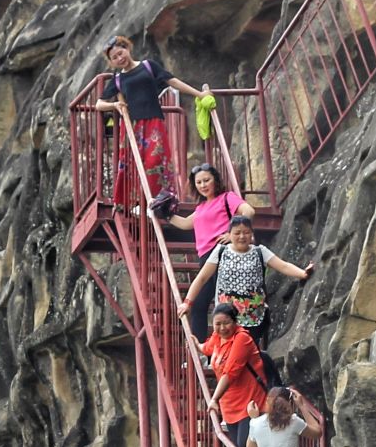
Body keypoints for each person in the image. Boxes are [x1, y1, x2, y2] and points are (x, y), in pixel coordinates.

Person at [94, 34, 206, 214]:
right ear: (112, 62)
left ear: (127, 48)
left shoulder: (148, 66)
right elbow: (99, 104)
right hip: (132, 126)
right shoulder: (117, 79)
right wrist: (114, 105)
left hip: (154, 121)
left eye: (120, 53)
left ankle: (158, 202)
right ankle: (129, 203)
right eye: (114, 58)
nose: (119, 58)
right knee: (130, 164)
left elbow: (172, 81)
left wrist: (199, 94)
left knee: (156, 162)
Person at [178, 216, 314, 350]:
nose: (242, 236)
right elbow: (202, 278)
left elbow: (283, 266)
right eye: (237, 233)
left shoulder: (260, 252)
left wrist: (303, 273)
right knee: (229, 352)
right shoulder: (220, 252)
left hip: (254, 316)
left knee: (246, 353)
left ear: (252, 234)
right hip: (227, 317)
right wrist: (187, 302)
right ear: (229, 234)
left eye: (246, 232)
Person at [166, 164, 247, 340]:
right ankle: (200, 348)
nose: (203, 185)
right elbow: (186, 223)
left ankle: (233, 345)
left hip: (222, 254)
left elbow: (248, 211)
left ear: (215, 180)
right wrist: (164, 214)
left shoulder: (227, 198)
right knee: (198, 304)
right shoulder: (201, 207)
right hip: (205, 259)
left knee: (226, 302)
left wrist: (232, 235)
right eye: (199, 182)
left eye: (206, 180)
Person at [199, 303, 268, 447]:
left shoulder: (242, 338)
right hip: (229, 404)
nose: (222, 328)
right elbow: (207, 348)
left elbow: (230, 373)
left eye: (226, 323)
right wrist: (195, 344)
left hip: (250, 400)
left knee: (245, 445)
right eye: (218, 324)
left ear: (235, 321)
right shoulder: (217, 337)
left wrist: (214, 399)